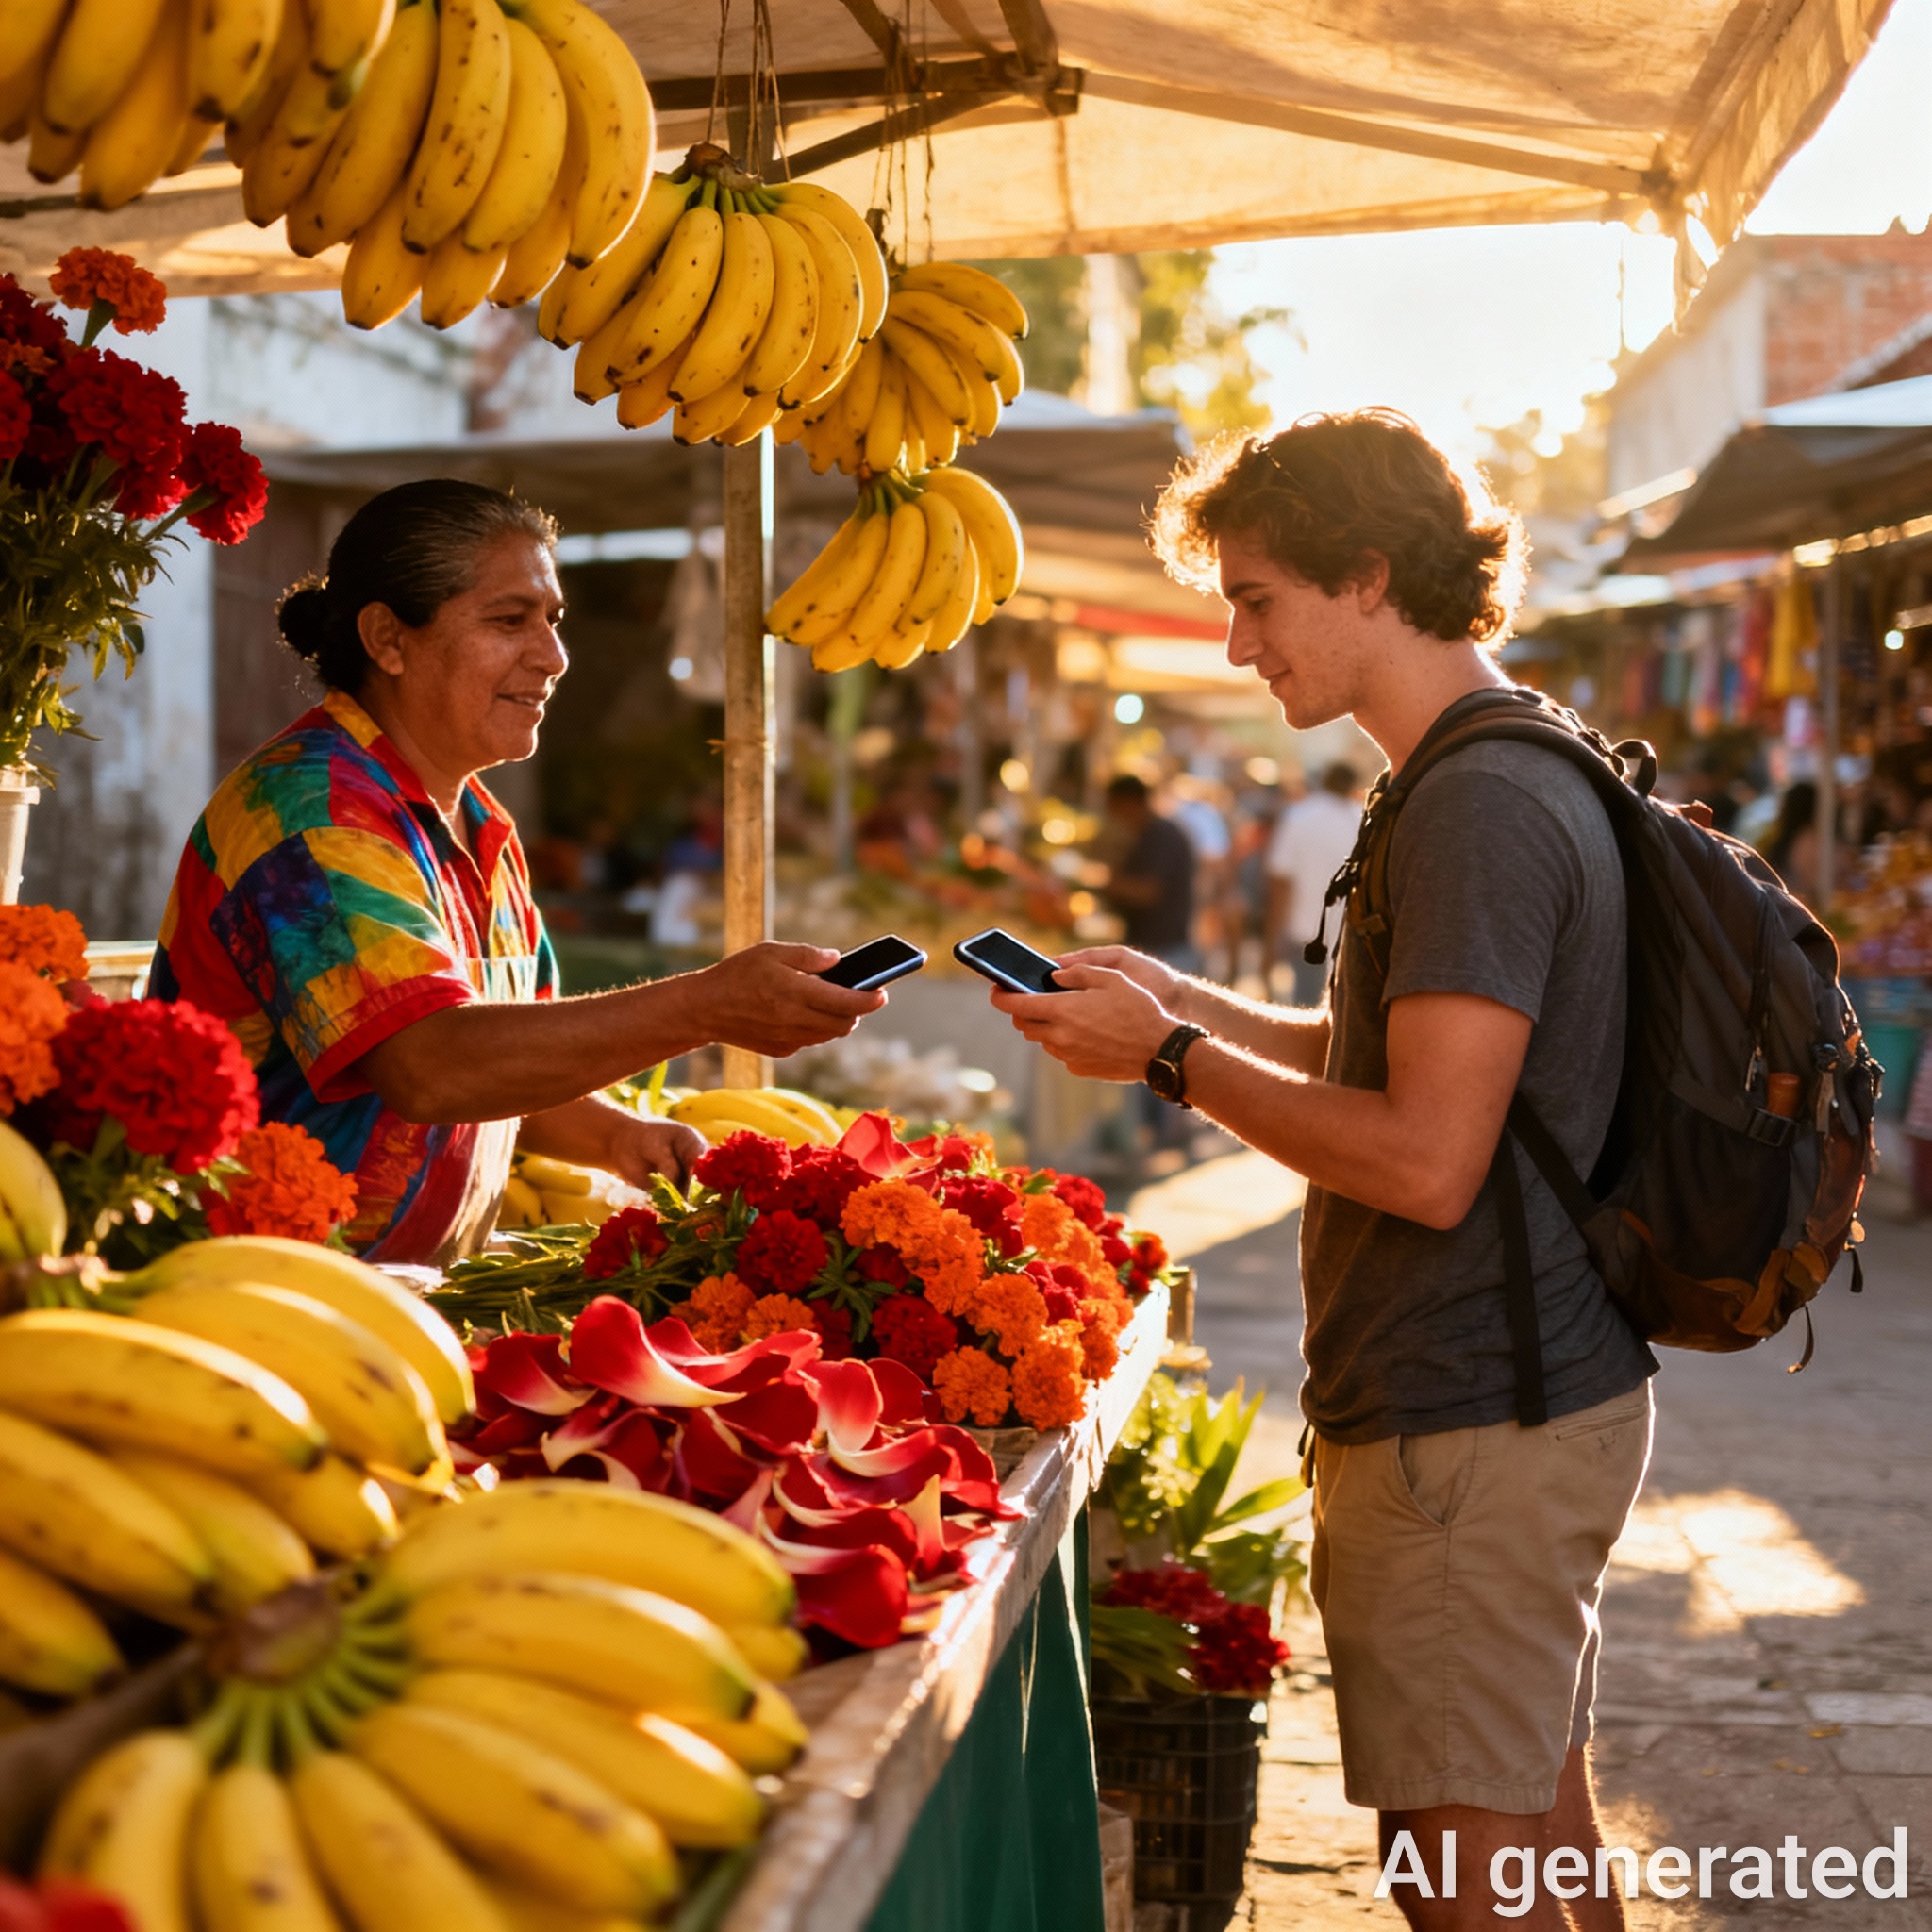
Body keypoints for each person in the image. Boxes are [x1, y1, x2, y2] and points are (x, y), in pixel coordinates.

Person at [988, 410, 1653, 1931]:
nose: (1235, 646)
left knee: (1464, 1882)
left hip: (1472, 1411)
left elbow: (1425, 1158)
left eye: (1257, 599)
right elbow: (1405, 1061)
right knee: (1541, 1838)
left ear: (1369, 576)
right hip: (1519, 1390)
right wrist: (1185, 1005)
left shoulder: (1477, 804)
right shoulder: (1492, 760)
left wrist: (1164, 1065)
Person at [151, 480, 883, 1265]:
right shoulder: (313, 812)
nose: (554, 656)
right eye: (509, 621)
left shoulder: (478, 823)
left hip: (398, 1295)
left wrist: (616, 1135)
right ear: (387, 639)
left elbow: (503, 1060)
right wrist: (708, 1004)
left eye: (552, 621)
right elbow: (430, 1066)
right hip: (253, 1294)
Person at [1263, 759, 1362, 1007]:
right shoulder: (1362, 819)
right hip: (1350, 938)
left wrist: (1271, 939)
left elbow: (1280, 881)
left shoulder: (1299, 816)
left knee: (1305, 1013)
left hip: (1306, 935)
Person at [1097, 773, 1197, 972]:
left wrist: (1103, 882)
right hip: (1157, 947)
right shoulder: (1150, 833)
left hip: (1163, 951)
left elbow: (1146, 892)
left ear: (1127, 803)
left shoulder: (1160, 836)